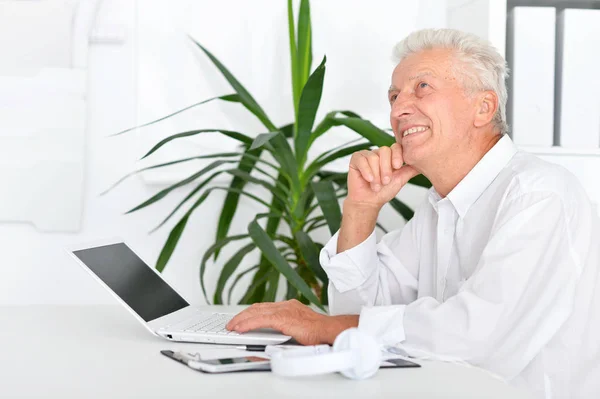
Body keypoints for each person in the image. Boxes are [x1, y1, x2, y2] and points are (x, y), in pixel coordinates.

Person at [226, 29, 600, 398]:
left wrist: (324, 327)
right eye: (393, 95)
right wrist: (361, 208)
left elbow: (477, 341)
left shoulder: (538, 196)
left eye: (422, 87)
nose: (398, 109)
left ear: (483, 108)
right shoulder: (440, 206)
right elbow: (358, 311)